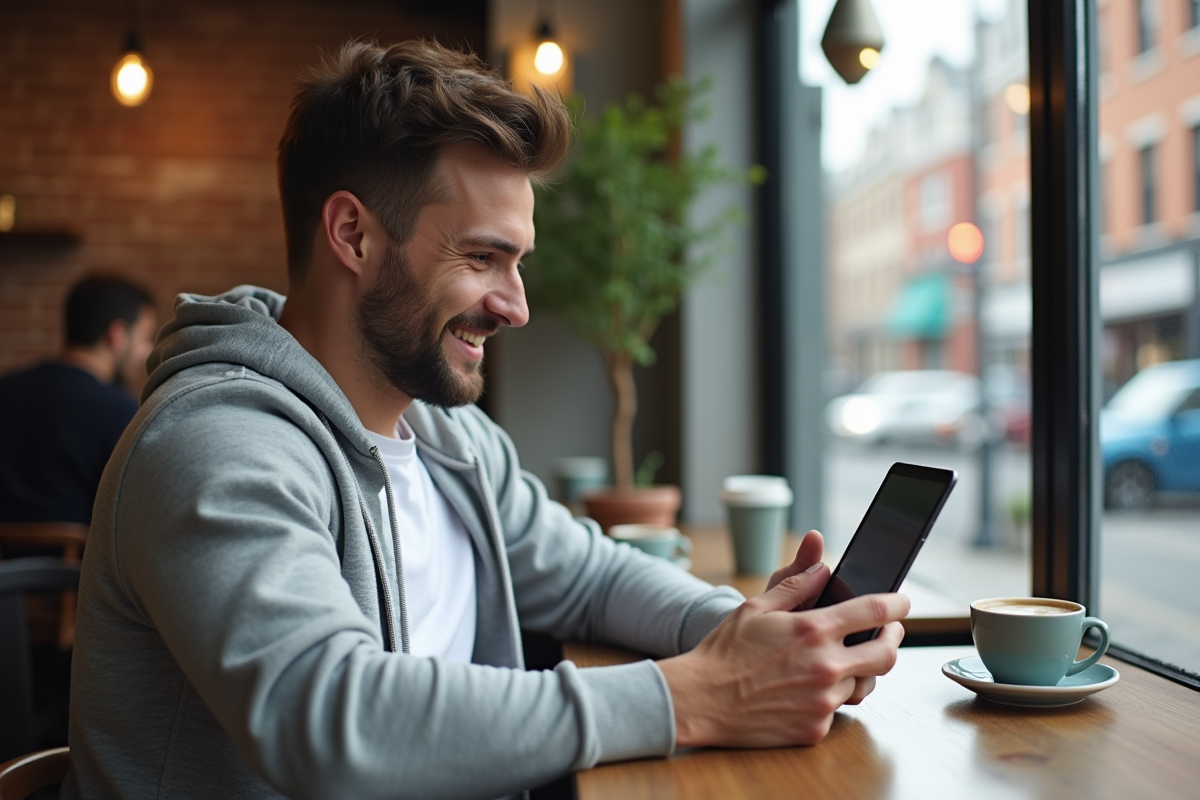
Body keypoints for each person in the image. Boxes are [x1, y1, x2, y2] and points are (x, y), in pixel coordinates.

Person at [64, 41, 908, 800]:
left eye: (519, 262)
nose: (517, 306)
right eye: (481, 258)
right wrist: (699, 695)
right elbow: (321, 717)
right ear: (353, 235)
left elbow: (588, 576)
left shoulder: (444, 437)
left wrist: (746, 638)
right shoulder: (218, 442)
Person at [0, 275, 156, 530]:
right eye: (145, 338)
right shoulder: (121, 412)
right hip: (76, 569)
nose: (147, 352)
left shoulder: (5, 389)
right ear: (116, 335)